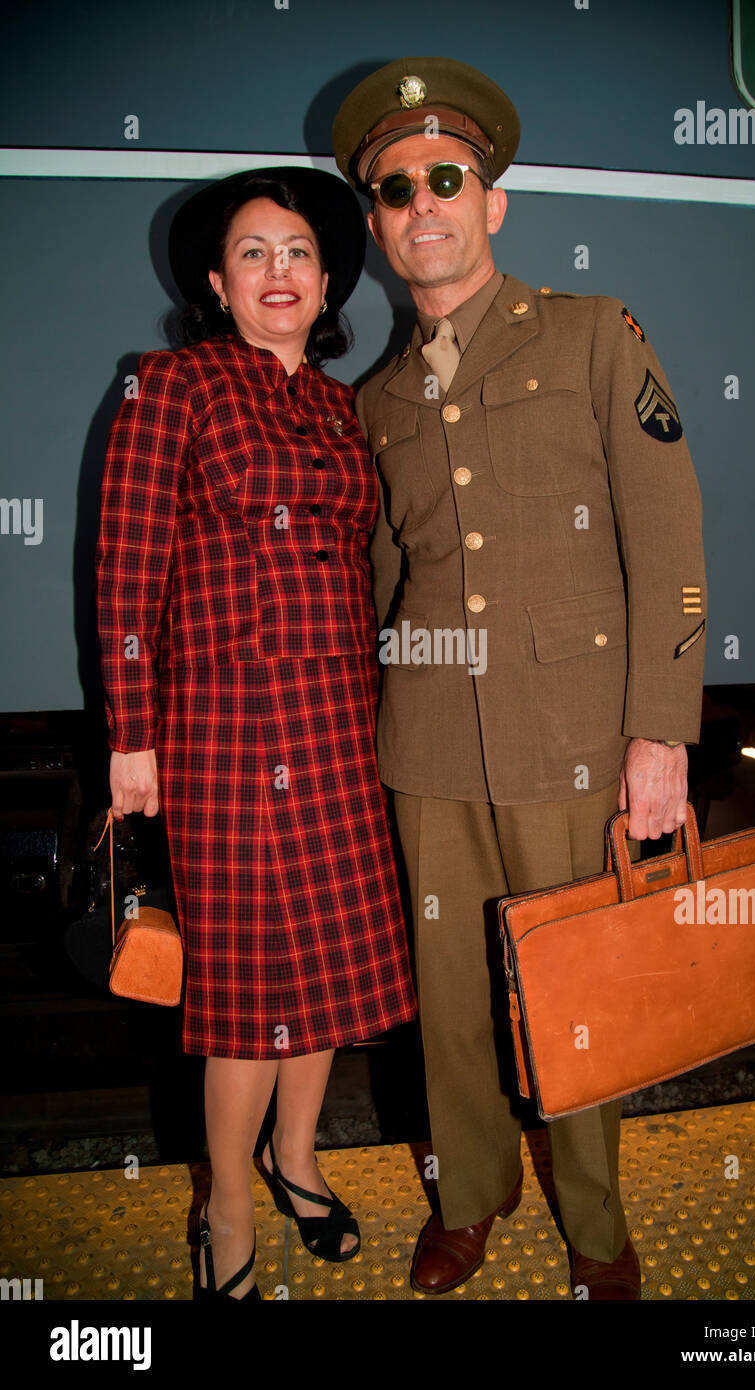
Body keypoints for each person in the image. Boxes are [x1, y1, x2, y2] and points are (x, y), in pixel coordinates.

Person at [332, 58, 707, 1299]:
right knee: (449, 1004)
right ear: (378, 225)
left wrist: (659, 734)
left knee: (577, 1000)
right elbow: (389, 589)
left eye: (446, 179)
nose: (420, 204)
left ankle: (594, 1223)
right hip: (430, 746)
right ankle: (471, 1195)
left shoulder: (596, 334)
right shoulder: (377, 400)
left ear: (492, 201)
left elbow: (666, 536)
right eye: (394, 190)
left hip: (572, 736)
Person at [95, 166, 416, 1300]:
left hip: (337, 724)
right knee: (242, 990)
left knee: (323, 971)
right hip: (223, 732)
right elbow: (128, 569)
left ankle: (296, 1158)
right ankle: (226, 1203)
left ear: (327, 282)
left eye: (297, 253)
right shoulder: (167, 387)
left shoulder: (342, 407)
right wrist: (133, 737)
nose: (278, 271)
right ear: (216, 283)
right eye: (252, 253)